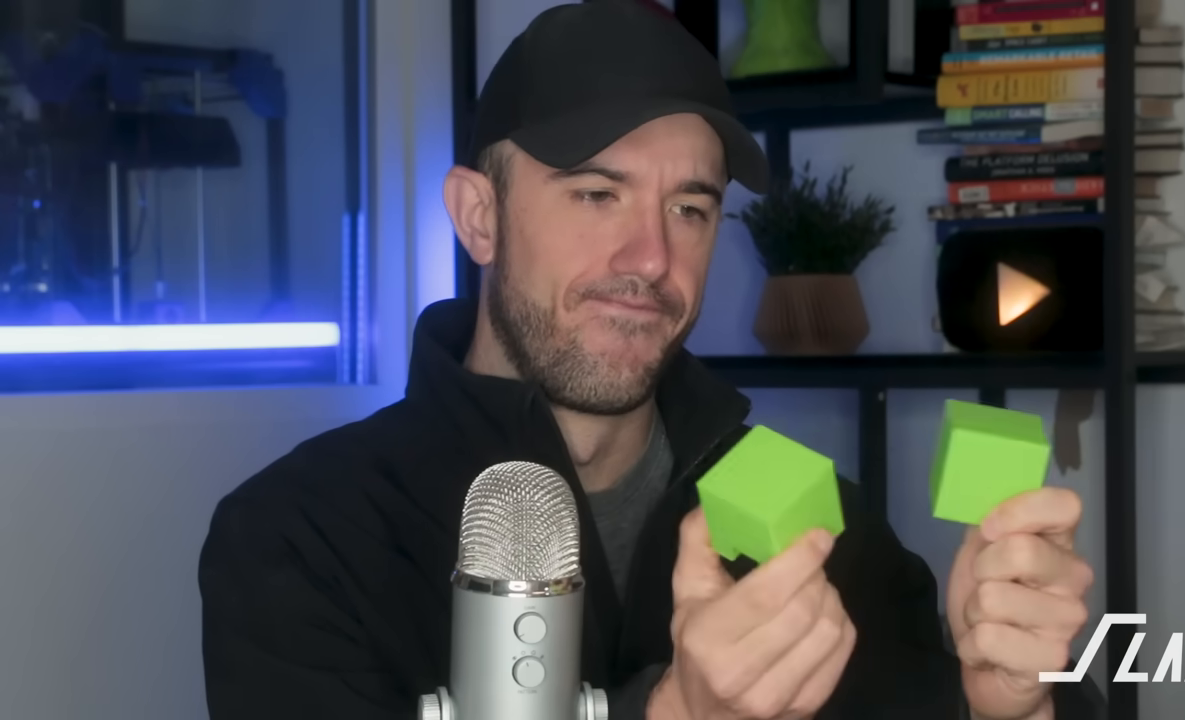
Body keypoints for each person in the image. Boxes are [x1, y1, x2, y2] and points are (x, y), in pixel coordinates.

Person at [198, 3, 1104, 719]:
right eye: (597, 193)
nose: (650, 261)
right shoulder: (301, 534)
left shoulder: (796, 502)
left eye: (690, 210)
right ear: (480, 218)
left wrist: (1007, 705)